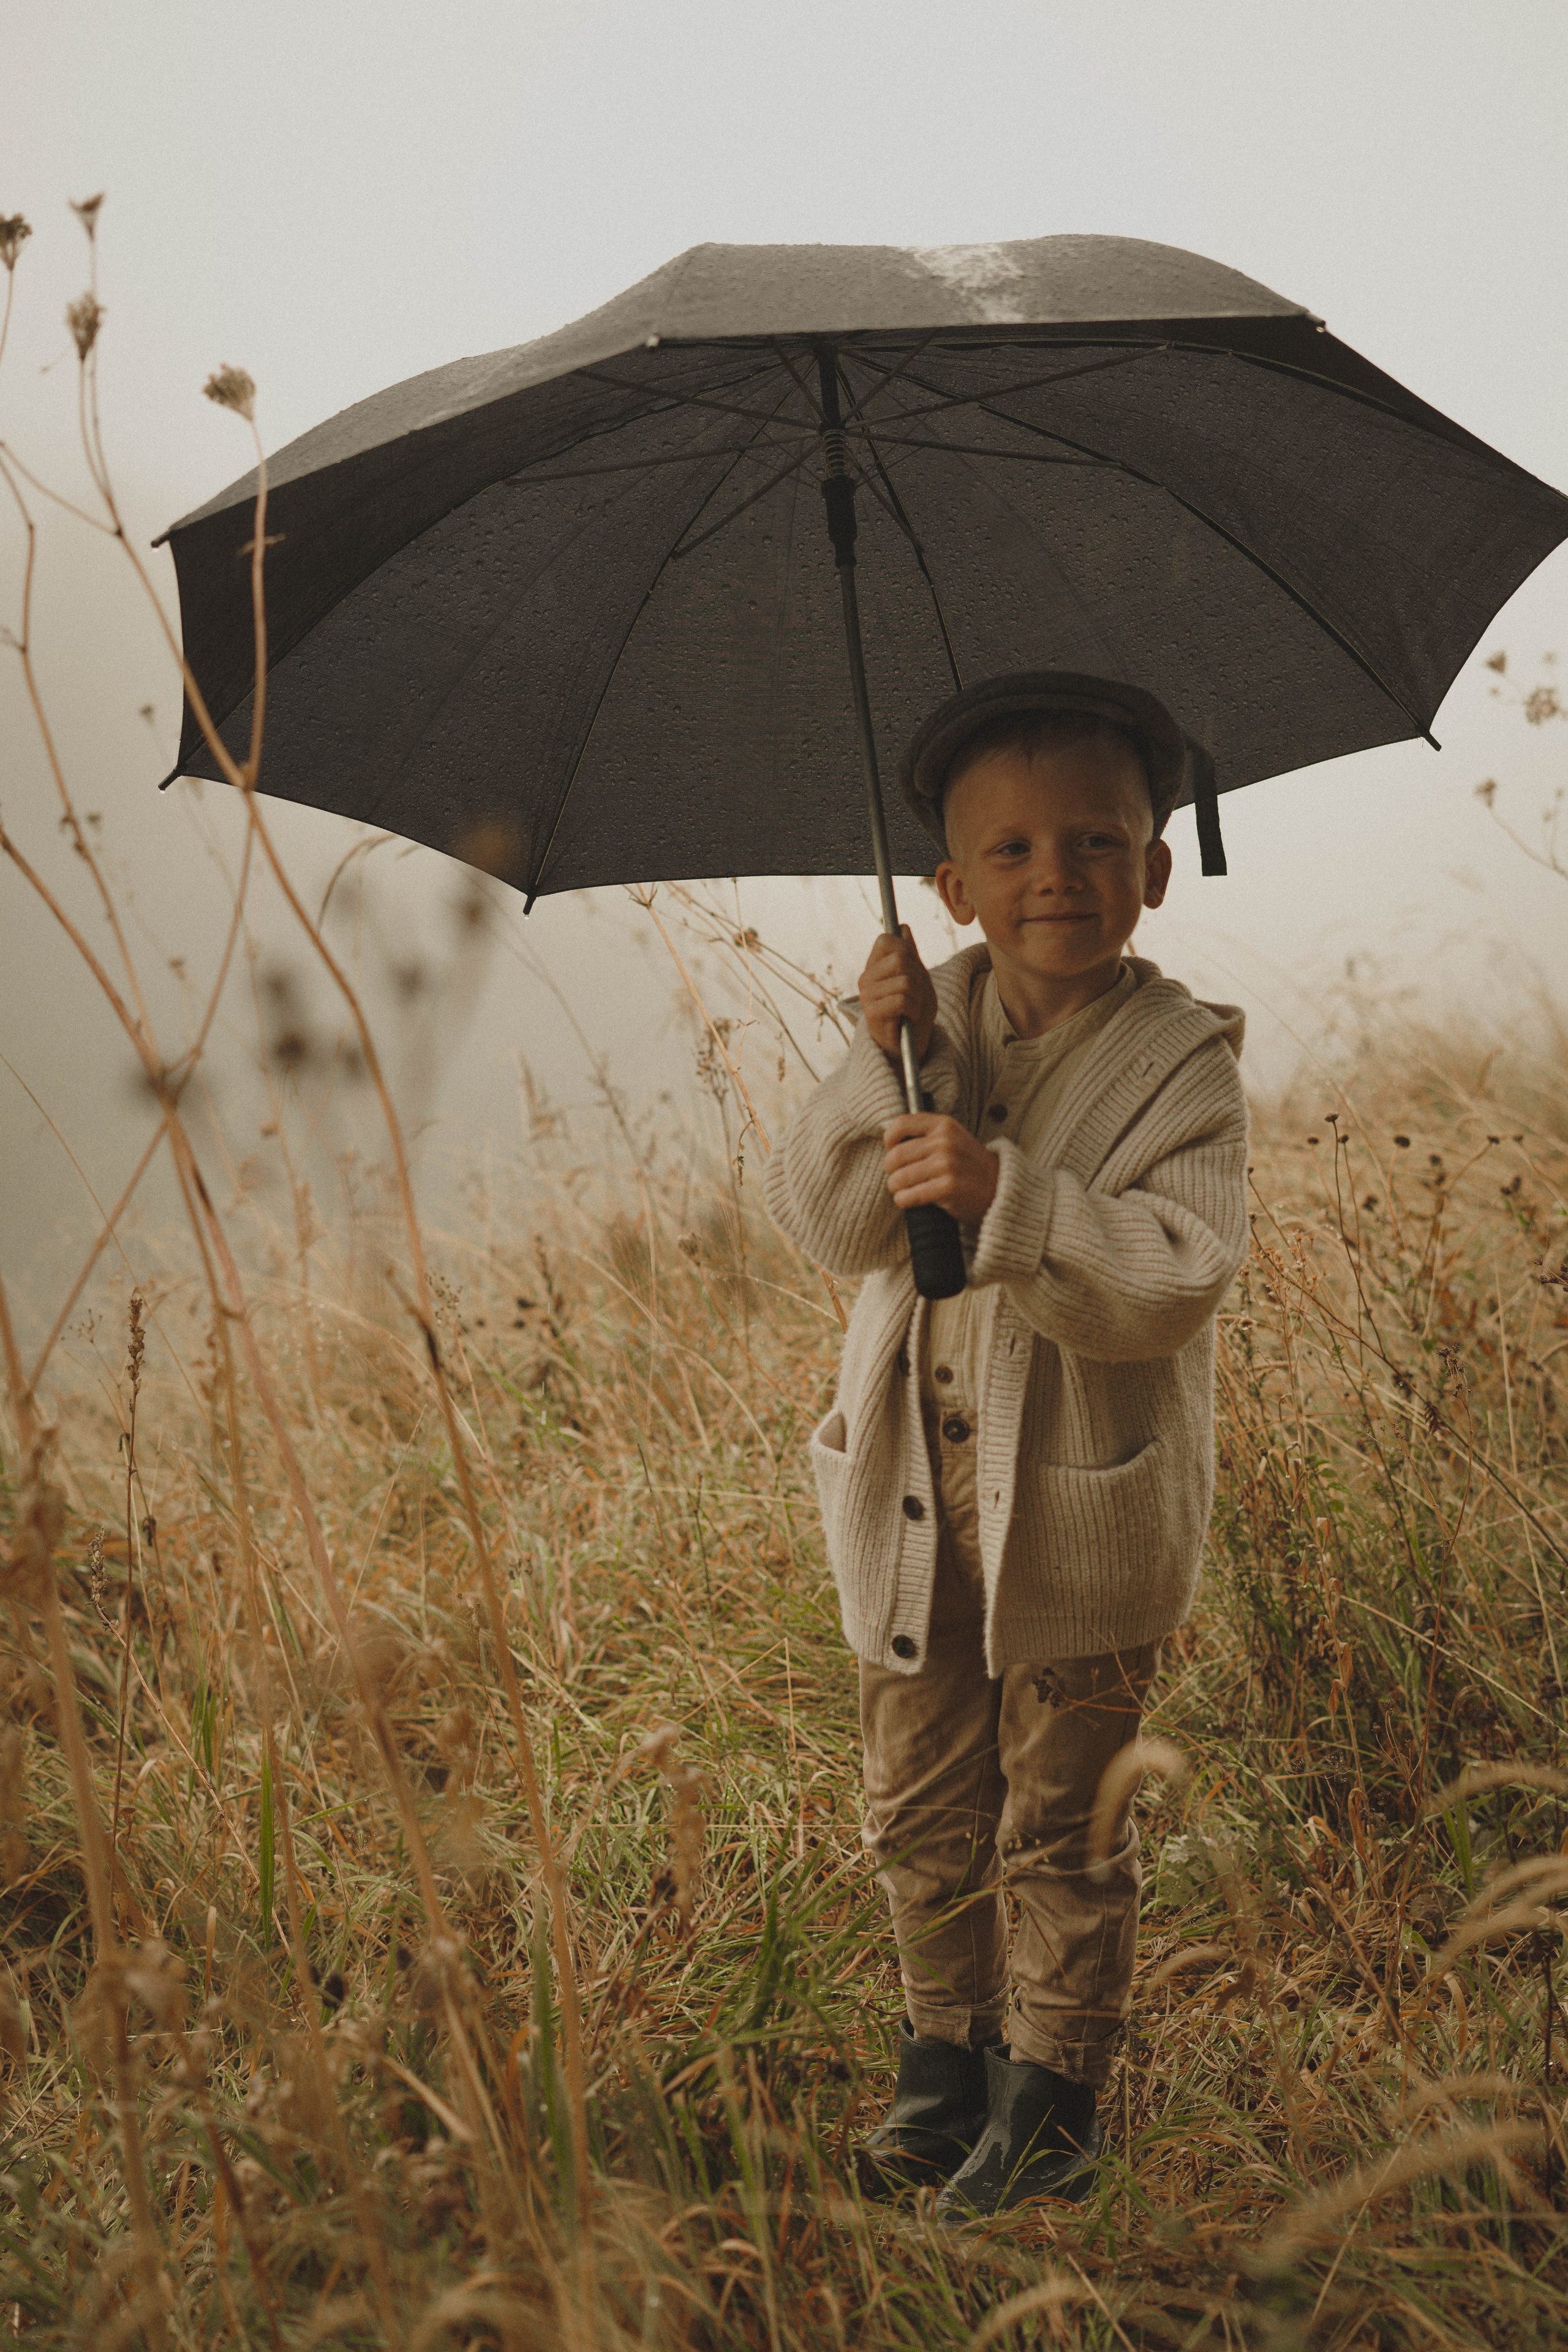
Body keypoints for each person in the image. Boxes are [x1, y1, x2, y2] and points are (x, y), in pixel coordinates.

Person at [763, 671, 1250, 2222]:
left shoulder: (1179, 1062)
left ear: (1154, 870)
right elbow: (835, 1222)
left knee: (1061, 1812)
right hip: (910, 1498)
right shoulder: (927, 1031)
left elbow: (1175, 1276)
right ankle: (942, 2059)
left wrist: (1007, 1199)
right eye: (1015, 850)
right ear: (949, 886)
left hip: (1078, 1519)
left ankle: (1050, 2093)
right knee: (917, 1795)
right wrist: (872, 1056)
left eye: (1097, 843)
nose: (1058, 877)